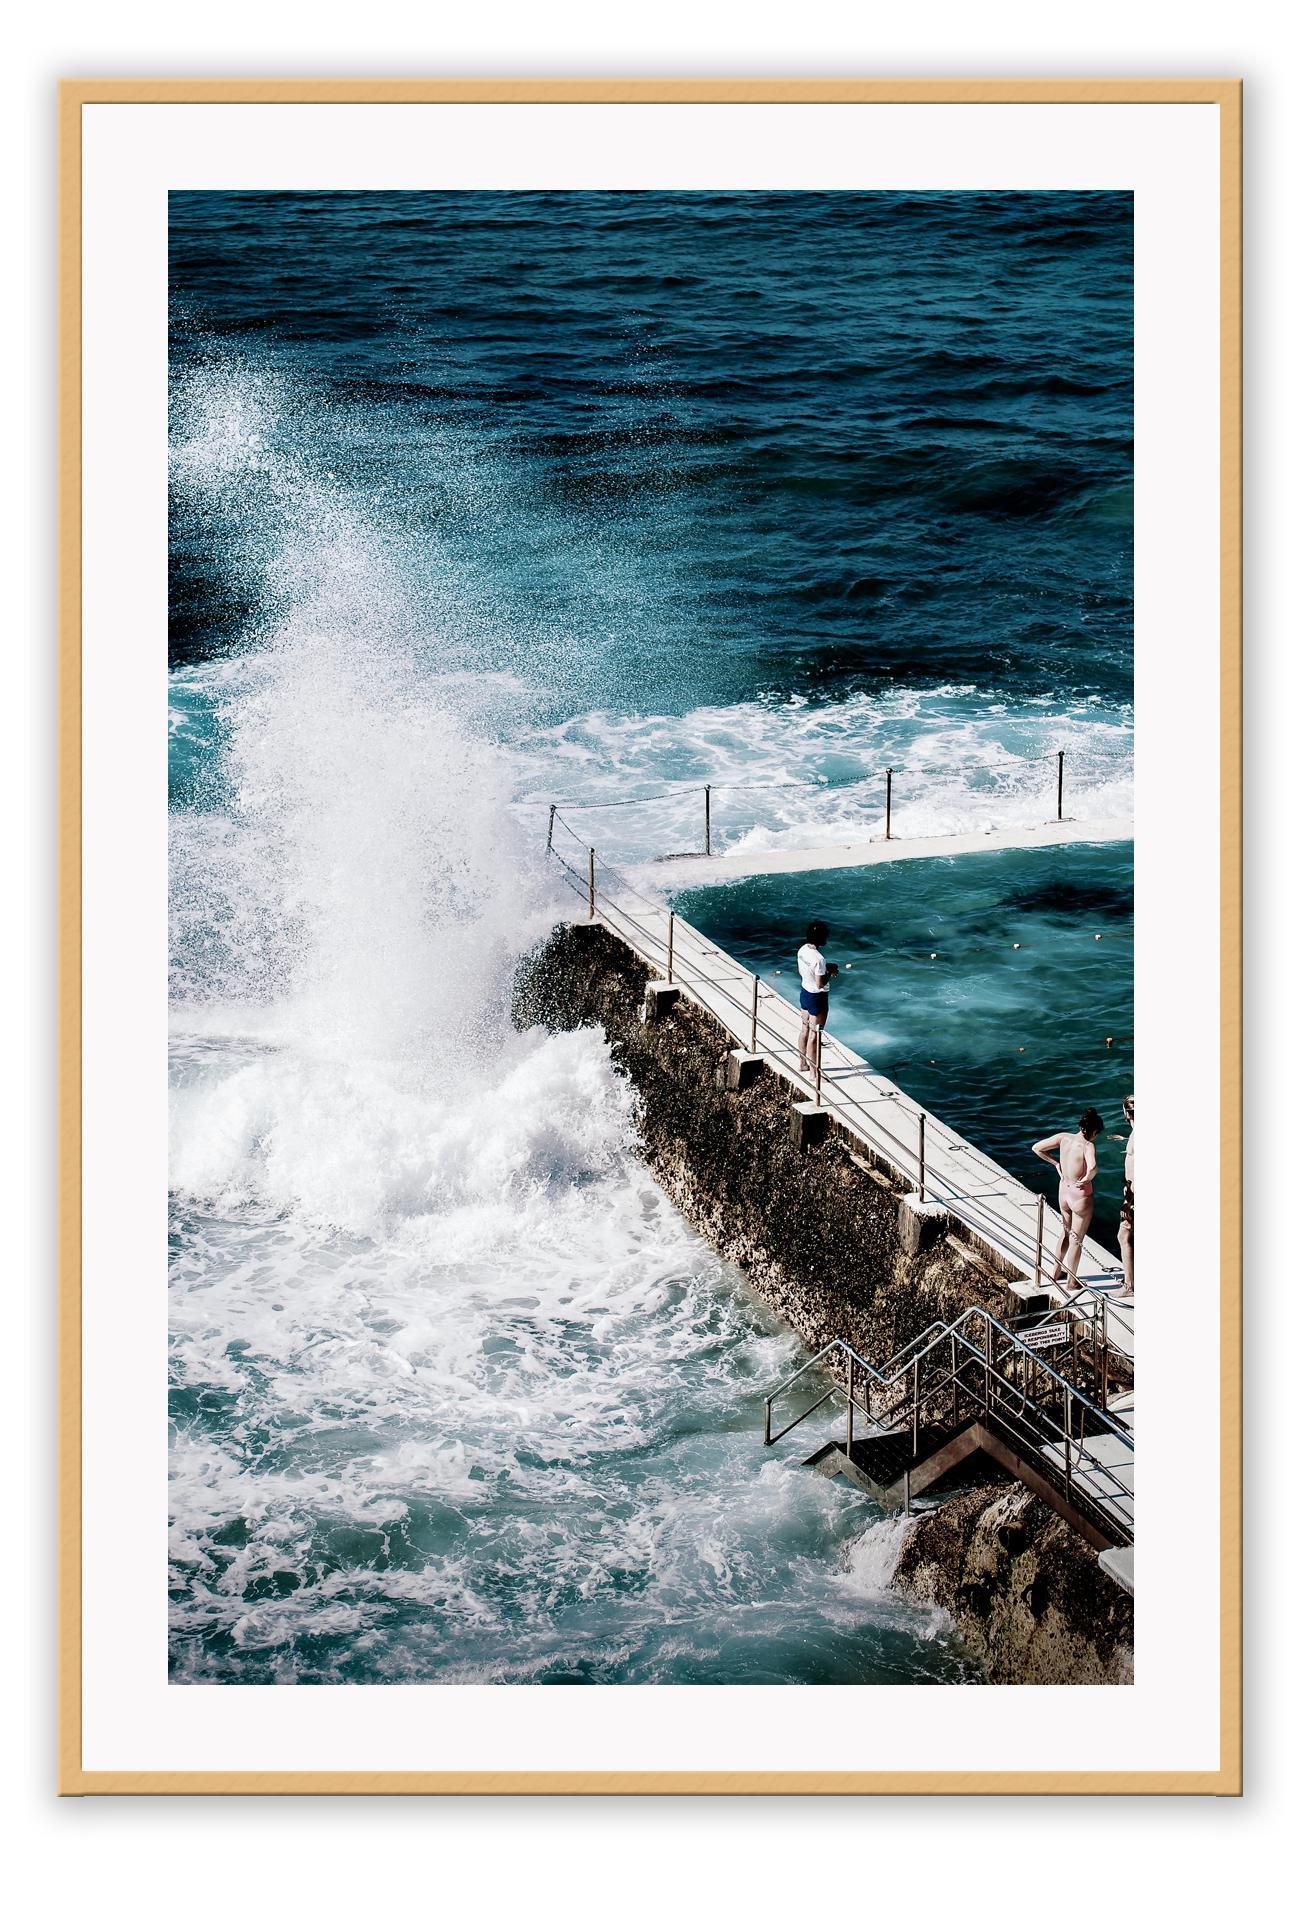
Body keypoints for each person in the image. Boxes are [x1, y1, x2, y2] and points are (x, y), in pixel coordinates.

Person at [1032, 1109, 1105, 1292]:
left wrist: (1056, 1163)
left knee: (1064, 1232)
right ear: (1094, 1131)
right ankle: (1071, 1282)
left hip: (1064, 1191)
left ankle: (1056, 1272)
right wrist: (1088, 1177)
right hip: (1080, 1196)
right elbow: (1094, 1167)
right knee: (1076, 1240)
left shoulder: (1063, 1138)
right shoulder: (1088, 1146)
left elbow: (1037, 1148)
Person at [796, 919, 838, 1075]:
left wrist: (826, 968)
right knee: (815, 1034)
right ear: (820, 937)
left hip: (805, 992)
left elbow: (808, 969)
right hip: (818, 997)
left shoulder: (802, 950)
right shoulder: (819, 959)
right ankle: (815, 1073)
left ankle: (802, 1064)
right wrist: (831, 973)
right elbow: (820, 983)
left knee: (805, 1029)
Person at [1117, 1093, 1135, 1296]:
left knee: (1124, 1235)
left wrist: (1128, 1201)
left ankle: (1129, 1286)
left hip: (1134, 1195)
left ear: (1126, 1113)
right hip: (1132, 1192)